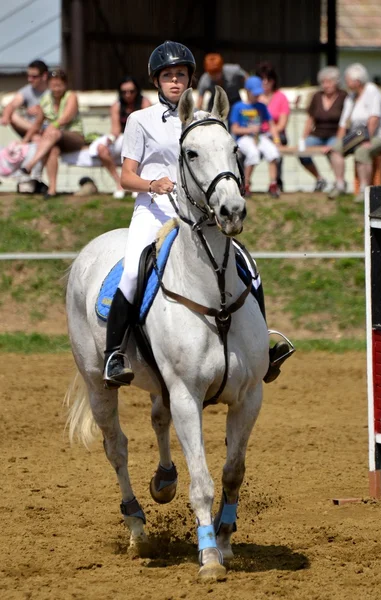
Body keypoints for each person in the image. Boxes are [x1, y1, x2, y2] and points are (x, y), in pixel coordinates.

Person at [103, 41, 292, 389]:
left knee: (247, 266)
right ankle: (115, 353)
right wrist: (151, 183)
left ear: (190, 79)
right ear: (156, 81)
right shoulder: (140, 120)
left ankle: (262, 345)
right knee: (132, 272)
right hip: (154, 210)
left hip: (197, 214)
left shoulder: (206, 119)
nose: (175, 81)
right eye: (167, 76)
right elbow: (125, 176)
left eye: (181, 75)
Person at [328, 63, 381, 203]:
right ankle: (340, 184)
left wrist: (367, 139)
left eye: (347, 79)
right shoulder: (350, 97)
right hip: (356, 136)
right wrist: (339, 142)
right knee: (335, 150)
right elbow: (343, 123)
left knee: (362, 151)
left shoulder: (372, 91)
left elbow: (374, 118)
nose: (345, 82)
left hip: (379, 136)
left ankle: (365, 189)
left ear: (357, 81)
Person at [20, 68, 85, 198]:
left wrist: (52, 127)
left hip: (74, 137)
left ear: (65, 85)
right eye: (53, 86)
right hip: (54, 139)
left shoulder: (71, 96)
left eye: (59, 85)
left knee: (53, 131)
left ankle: (31, 164)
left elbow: (66, 118)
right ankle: (52, 190)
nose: (56, 89)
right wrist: (24, 141)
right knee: (52, 150)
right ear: (49, 85)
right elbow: (37, 123)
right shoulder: (45, 99)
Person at [93, 76, 151, 198]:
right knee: (101, 149)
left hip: (142, 140)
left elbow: (148, 128)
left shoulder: (144, 103)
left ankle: (137, 184)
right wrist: (110, 139)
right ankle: (119, 183)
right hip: (122, 138)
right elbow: (115, 129)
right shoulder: (116, 106)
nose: (128, 95)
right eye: (124, 92)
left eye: (131, 91)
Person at [229, 75, 281, 198]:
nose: (257, 96)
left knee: (273, 153)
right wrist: (249, 129)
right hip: (243, 138)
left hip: (259, 136)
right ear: (247, 91)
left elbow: (271, 124)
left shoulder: (261, 106)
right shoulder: (238, 106)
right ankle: (246, 184)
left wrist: (276, 139)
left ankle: (273, 184)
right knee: (253, 154)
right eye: (254, 93)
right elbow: (234, 129)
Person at [298, 66, 347, 192]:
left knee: (334, 151)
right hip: (317, 134)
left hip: (335, 134)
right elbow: (310, 119)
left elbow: (346, 121)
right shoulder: (317, 96)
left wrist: (338, 140)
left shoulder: (343, 96)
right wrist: (303, 138)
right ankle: (320, 179)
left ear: (336, 82)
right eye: (323, 82)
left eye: (329, 82)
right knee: (301, 152)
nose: (326, 85)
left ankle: (339, 182)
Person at [256, 62, 290, 191]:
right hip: (258, 134)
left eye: (268, 79)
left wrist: (272, 134)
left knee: (276, 151)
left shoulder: (281, 98)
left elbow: (282, 124)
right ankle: (245, 184)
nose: (265, 82)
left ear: (274, 81)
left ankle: (276, 183)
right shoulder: (255, 99)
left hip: (276, 134)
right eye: (262, 79)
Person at [0, 60, 48, 139]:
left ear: (44, 76)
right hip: (31, 127)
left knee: (36, 137)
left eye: (34, 77)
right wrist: (5, 117)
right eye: (28, 76)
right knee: (13, 116)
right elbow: (12, 104)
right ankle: (38, 132)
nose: (30, 79)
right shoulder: (27, 90)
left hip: (49, 126)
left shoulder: (54, 90)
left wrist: (41, 110)